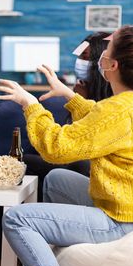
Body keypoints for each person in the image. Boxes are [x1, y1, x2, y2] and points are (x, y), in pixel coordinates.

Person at [0, 25, 133, 266]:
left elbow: (56, 148)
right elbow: (101, 120)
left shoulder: (118, 109)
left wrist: (30, 104)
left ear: (111, 64)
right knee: (57, 180)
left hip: (125, 221)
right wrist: (68, 95)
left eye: (108, 46)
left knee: (18, 219)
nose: (101, 51)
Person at [23, 32, 113, 201]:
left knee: (80, 164)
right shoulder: (81, 91)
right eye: (79, 57)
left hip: (95, 167)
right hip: (72, 155)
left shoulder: (116, 101)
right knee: (26, 158)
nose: (79, 63)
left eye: (85, 57)